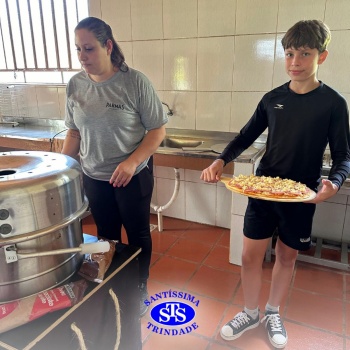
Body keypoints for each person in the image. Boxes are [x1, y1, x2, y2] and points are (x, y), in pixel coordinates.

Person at [201, 19, 350, 348]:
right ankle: (250, 311)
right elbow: (245, 135)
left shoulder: (334, 104)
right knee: (251, 256)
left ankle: (272, 312)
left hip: (300, 196)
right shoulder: (272, 98)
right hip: (264, 189)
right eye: (289, 54)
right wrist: (219, 160)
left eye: (305, 54)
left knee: (287, 258)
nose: (295, 62)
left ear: (321, 57)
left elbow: (343, 155)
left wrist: (334, 183)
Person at [61, 17, 168, 317]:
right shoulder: (75, 85)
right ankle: (111, 284)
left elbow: (157, 130)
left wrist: (132, 162)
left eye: (89, 49)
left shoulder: (134, 82)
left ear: (108, 46)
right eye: (78, 49)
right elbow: (73, 133)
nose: (82, 57)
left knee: (137, 234)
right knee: (106, 236)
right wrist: (63, 168)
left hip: (132, 176)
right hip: (95, 176)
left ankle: (139, 286)